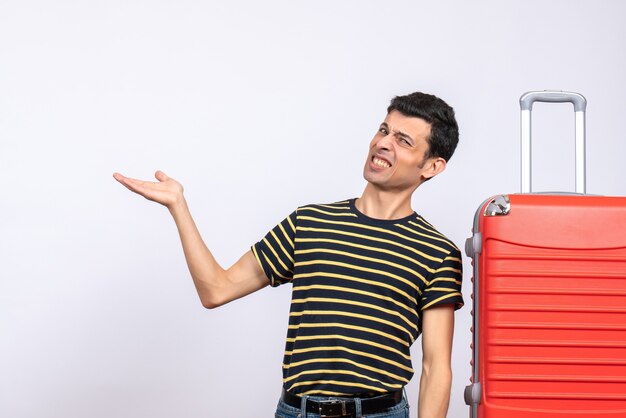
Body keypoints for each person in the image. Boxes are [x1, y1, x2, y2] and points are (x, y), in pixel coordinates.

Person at [113, 91, 464, 418]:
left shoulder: (436, 252)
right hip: (298, 411)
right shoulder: (309, 222)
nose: (383, 143)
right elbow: (215, 290)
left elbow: (436, 367)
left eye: (403, 141)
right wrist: (178, 206)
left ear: (431, 166)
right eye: (383, 130)